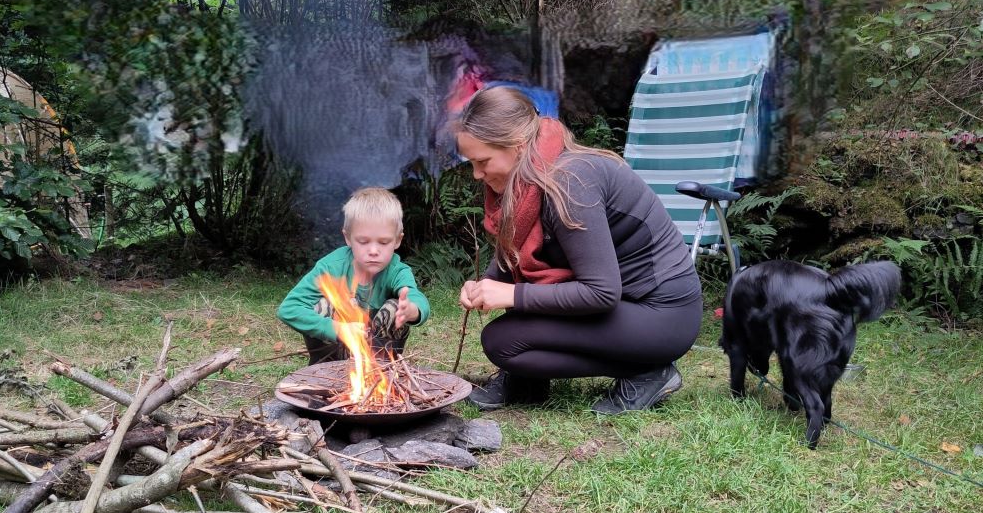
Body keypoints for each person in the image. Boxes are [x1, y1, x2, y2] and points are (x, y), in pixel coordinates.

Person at [454, 86, 703, 414]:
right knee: (505, 338)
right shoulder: (529, 181)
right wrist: (486, 283)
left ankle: (646, 371)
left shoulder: (571, 182)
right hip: (625, 309)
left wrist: (512, 295)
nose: (477, 174)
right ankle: (529, 379)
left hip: (660, 315)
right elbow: (519, 249)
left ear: (516, 147)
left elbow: (601, 292)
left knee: (503, 340)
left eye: (482, 161)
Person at [277, 187, 430, 364]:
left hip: (376, 355)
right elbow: (288, 309)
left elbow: (416, 297)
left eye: (383, 242)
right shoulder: (331, 267)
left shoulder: (397, 270)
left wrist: (412, 310)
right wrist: (337, 329)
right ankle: (325, 372)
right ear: (348, 238)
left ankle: (382, 372)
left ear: (397, 240)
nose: (373, 251)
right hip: (335, 352)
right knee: (322, 306)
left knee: (396, 307)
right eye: (363, 242)